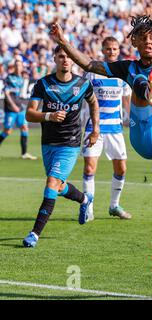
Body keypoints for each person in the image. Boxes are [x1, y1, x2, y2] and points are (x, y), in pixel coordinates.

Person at [49, 15, 152, 285]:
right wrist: (63, 41)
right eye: (141, 37)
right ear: (133, 41)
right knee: (139, 84)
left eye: (151, 37)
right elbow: (88, 64)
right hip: (145, 129)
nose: (147, 41)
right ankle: (146, 88)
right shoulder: (127, 67)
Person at [22, 45, 100, 247]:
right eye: (61, 56)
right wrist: (49, 116)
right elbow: (29, 114)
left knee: (51, 183)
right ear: (55, 58)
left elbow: (93, 103)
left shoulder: (83, 84)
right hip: (48, 143)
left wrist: (95, 129)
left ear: (73, 60)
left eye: (68, 57)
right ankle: (84, 199)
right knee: (58, 185)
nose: (65, 60)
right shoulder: (43, 84)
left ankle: (34, 234)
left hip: (70, 143)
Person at [81, 36, 132, 221]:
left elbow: (126, 101)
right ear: (103, 50)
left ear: (119, 51)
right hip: (94, 128)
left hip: (115, 129)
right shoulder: (92, 73)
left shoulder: (123, 75)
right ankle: (89, 208)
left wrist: (133, 120)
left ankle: (114, 205)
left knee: (121, 169)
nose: (112, 52)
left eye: (115, 49)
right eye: (108, 49)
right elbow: (81, 96)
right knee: (89, 169)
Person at [0, 59, 37, 160]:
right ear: (14, 66)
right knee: (7, 131)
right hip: (11, 109)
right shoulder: (9, 77)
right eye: (16, 65)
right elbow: (6, 94)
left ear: (22, 67)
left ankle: (24, 154)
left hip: (20, 107)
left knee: (24, 127)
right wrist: (13, 106)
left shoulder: (22, 78)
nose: (18, 67)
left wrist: (19, 105)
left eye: (19, 65)